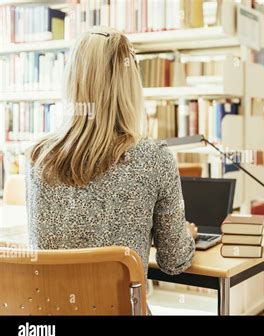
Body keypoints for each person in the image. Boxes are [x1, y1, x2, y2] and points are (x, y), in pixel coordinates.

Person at [26, 27, 196, 278]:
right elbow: (174, 260)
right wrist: (186, 234)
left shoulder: (38, 157)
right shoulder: (154, 158)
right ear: (129, 85)